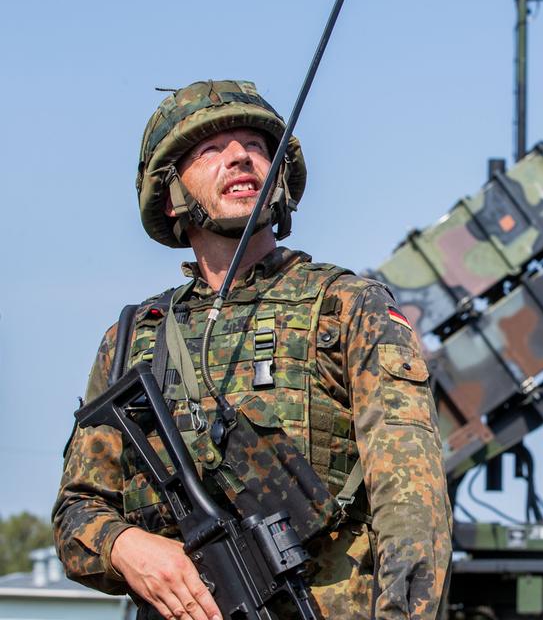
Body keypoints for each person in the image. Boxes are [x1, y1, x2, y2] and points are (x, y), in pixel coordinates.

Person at [52, 80, 452, 620]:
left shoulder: (345, 308)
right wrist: (129, 547)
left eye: (256, 146)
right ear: (171, 193)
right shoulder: (131, 340)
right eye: (211, 149)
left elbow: (412, 504)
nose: (240, 157)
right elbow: (76, 513)